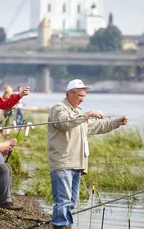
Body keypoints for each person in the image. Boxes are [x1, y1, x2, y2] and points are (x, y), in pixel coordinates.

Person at [47, 79, 128, 229]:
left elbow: (96, 126)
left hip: (77, 164)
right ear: (70, 93)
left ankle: (66, 226)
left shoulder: (78, 113)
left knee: (71, 202)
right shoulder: (59, 108)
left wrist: (116, 122)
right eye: (80, 95)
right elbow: (65, 123)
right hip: (62, 163)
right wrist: (88, 114)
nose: (83, 99)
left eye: (84, 96)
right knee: (63, 201)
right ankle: (60, 226)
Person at [0, 137, 22, 210]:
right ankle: (5, 202)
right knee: (3, 168)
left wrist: (4, 152)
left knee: (7, 166)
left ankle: (6, 200)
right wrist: (9, 142)